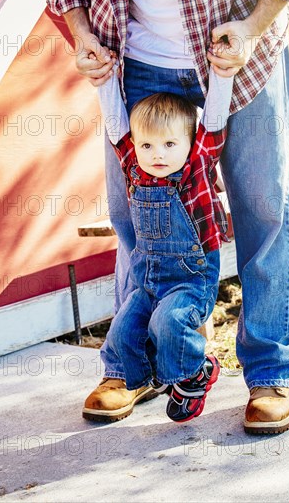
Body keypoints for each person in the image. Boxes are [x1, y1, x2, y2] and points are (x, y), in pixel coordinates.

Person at [40, 0, 289, 434]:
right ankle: (137, 366)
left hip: (238, 47)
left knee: (263, 208)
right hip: (132, 57)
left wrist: (254, 27)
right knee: (135, 217)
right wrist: (83, 32)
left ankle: (271, 370)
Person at [82, 62, 233, 422]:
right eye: (147, 144)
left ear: (188, 141)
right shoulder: (135, 167)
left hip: (189, 280)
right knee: (121, 331)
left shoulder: (196, 165)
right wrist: (104, 84)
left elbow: (213, 121)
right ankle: (149, 378)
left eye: (169, 144)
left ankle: (195, 372)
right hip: (149, 282)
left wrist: (223, 77)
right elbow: (117, 127)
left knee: (168, 323)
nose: (158, 155)